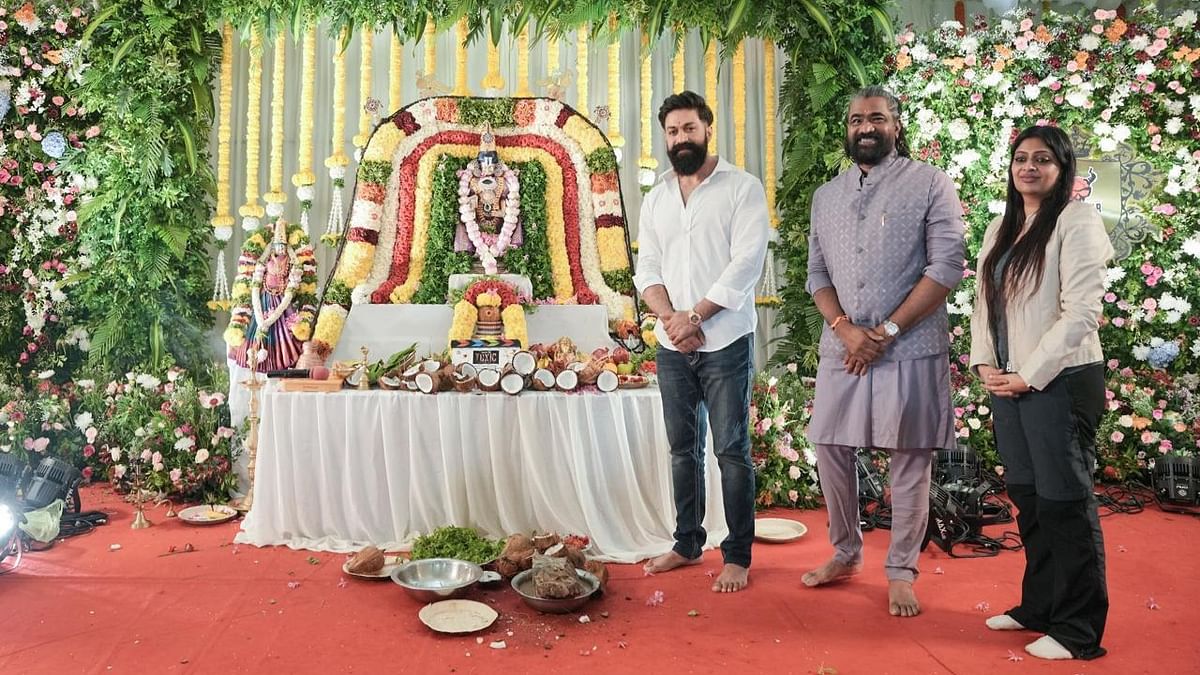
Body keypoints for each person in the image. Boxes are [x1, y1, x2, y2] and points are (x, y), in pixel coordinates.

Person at [803, 86, 965, 617]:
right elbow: (817, 274)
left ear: (896, 125)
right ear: (847, 130)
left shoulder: (930, 184)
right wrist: (846, 328)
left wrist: (888, 331)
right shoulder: (826, 195)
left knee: (909, 457)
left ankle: (900, 571)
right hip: (843, 346)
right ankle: (845, 552)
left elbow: (945, 268)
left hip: (911, 345)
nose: (865, 127)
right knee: (830, 447)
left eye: (876, 118)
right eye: (855, 120)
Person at [969, 125, 1112, 660]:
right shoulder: (1002, 226)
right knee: (1029, 500)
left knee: (1064, 501)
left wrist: (1030, 372)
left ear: (1063, 168)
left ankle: (1078, 630)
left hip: (1059, 380)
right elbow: (986, 304)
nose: (1029, 167)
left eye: (1043, 159)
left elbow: (1082, 313)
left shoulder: (1077, 221)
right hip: (1009, 381)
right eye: (1021, 158)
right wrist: (984, 360)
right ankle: (1040, 606)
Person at [633, 91, 769, 593]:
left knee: (731, 450)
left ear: (707, 128)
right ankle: (687, 543)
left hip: (726, 342)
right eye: (672, 132)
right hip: (673, 346)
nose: (680, 139)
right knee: (681, 449)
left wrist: (696, 316)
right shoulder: (658, 195)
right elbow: (647, 268)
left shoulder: (742, 187)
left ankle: (737, 555)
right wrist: (671, 320)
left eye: (688, 129)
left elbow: (746, 265)